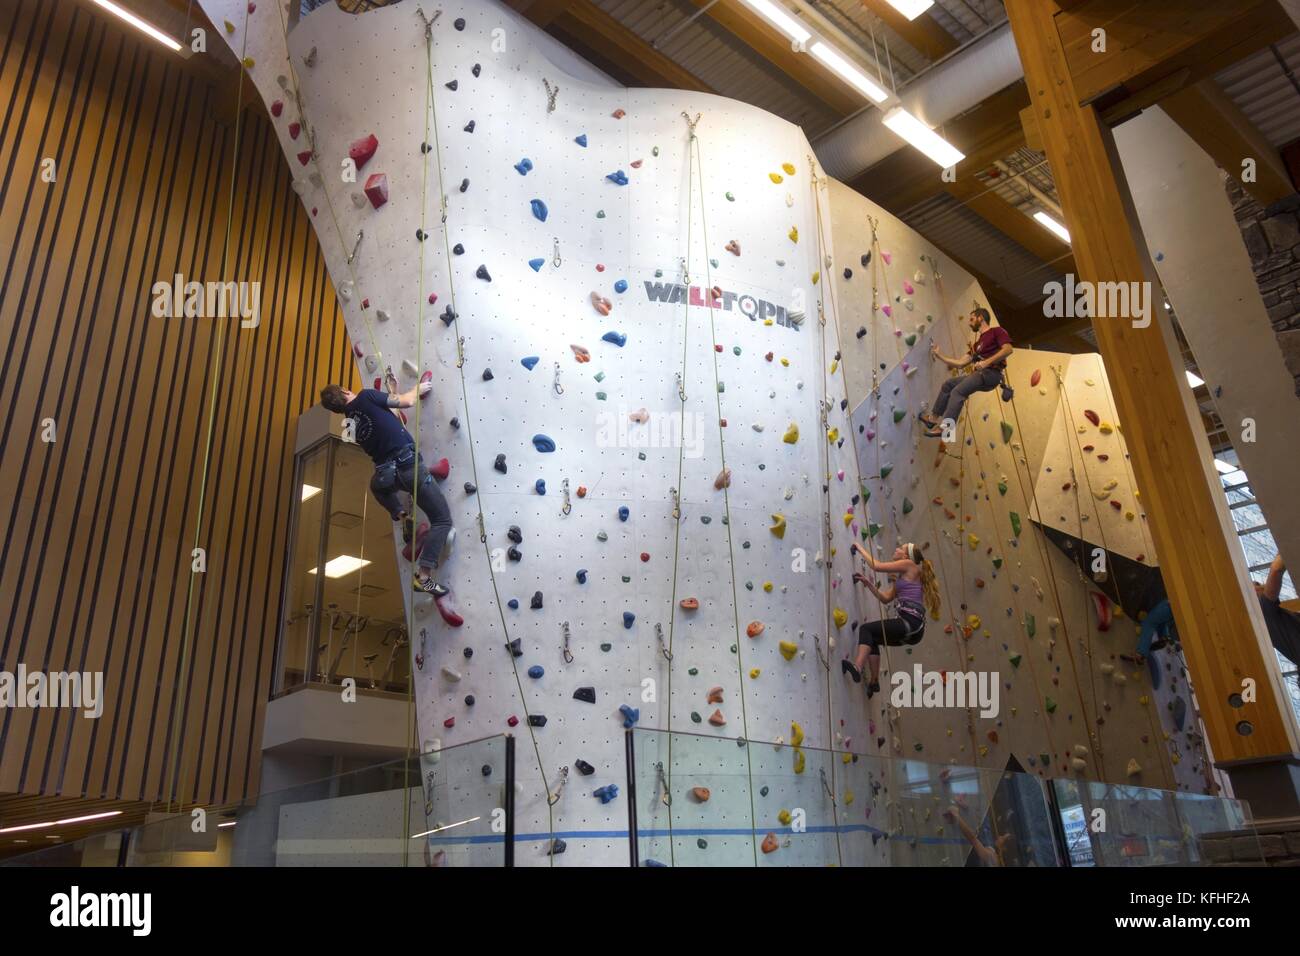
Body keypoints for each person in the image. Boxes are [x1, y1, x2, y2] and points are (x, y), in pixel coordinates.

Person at [319, 381, 454, 598]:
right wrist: (418, 388)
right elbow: (407, 402)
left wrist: (391, 392)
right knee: (442, 520)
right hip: (408, 467)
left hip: (385, 477)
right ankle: (424, 577)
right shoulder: (367, 396)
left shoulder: (348, 426)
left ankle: (401, 515)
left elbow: (383, 423)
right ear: (344, 391)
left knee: (379, 488)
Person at [843, 540, 941, 698]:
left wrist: (859, 547)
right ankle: (874, 682)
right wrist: (868, 583)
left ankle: (857, 667)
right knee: (873, 639)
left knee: (866, 629)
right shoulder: (903, 579)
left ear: (906, 556)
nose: (896, 549)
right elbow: (885, 598)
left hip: (910, 622)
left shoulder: (910, 565)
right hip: (914, 630)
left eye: (900, 549)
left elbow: (877, 566)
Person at [920, 307, 1013, 438]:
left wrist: (986, 362)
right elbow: (960, 363)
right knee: (949, 384)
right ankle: (932, 419)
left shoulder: (997, 331)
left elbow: (1008, 349)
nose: (969, 323)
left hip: (991, 374)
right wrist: (939, 355)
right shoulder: (977, 345)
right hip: (982, 374)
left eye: (972, 319)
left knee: (958, 392)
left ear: (980, 318)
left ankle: (946, 430)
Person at [1255, 555, 1300, 666]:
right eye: (1256, 584)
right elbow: (1276, 569)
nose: (1263, 585)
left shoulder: (1270, 619)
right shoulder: (1263, 612)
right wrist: (1286, 546)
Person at [1120, 598, 1175, 667]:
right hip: (1175, 609)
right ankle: (1164, 637)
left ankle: (1140, 655)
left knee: (1149, 623)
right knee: (1162, 620)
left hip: (1171, 604)